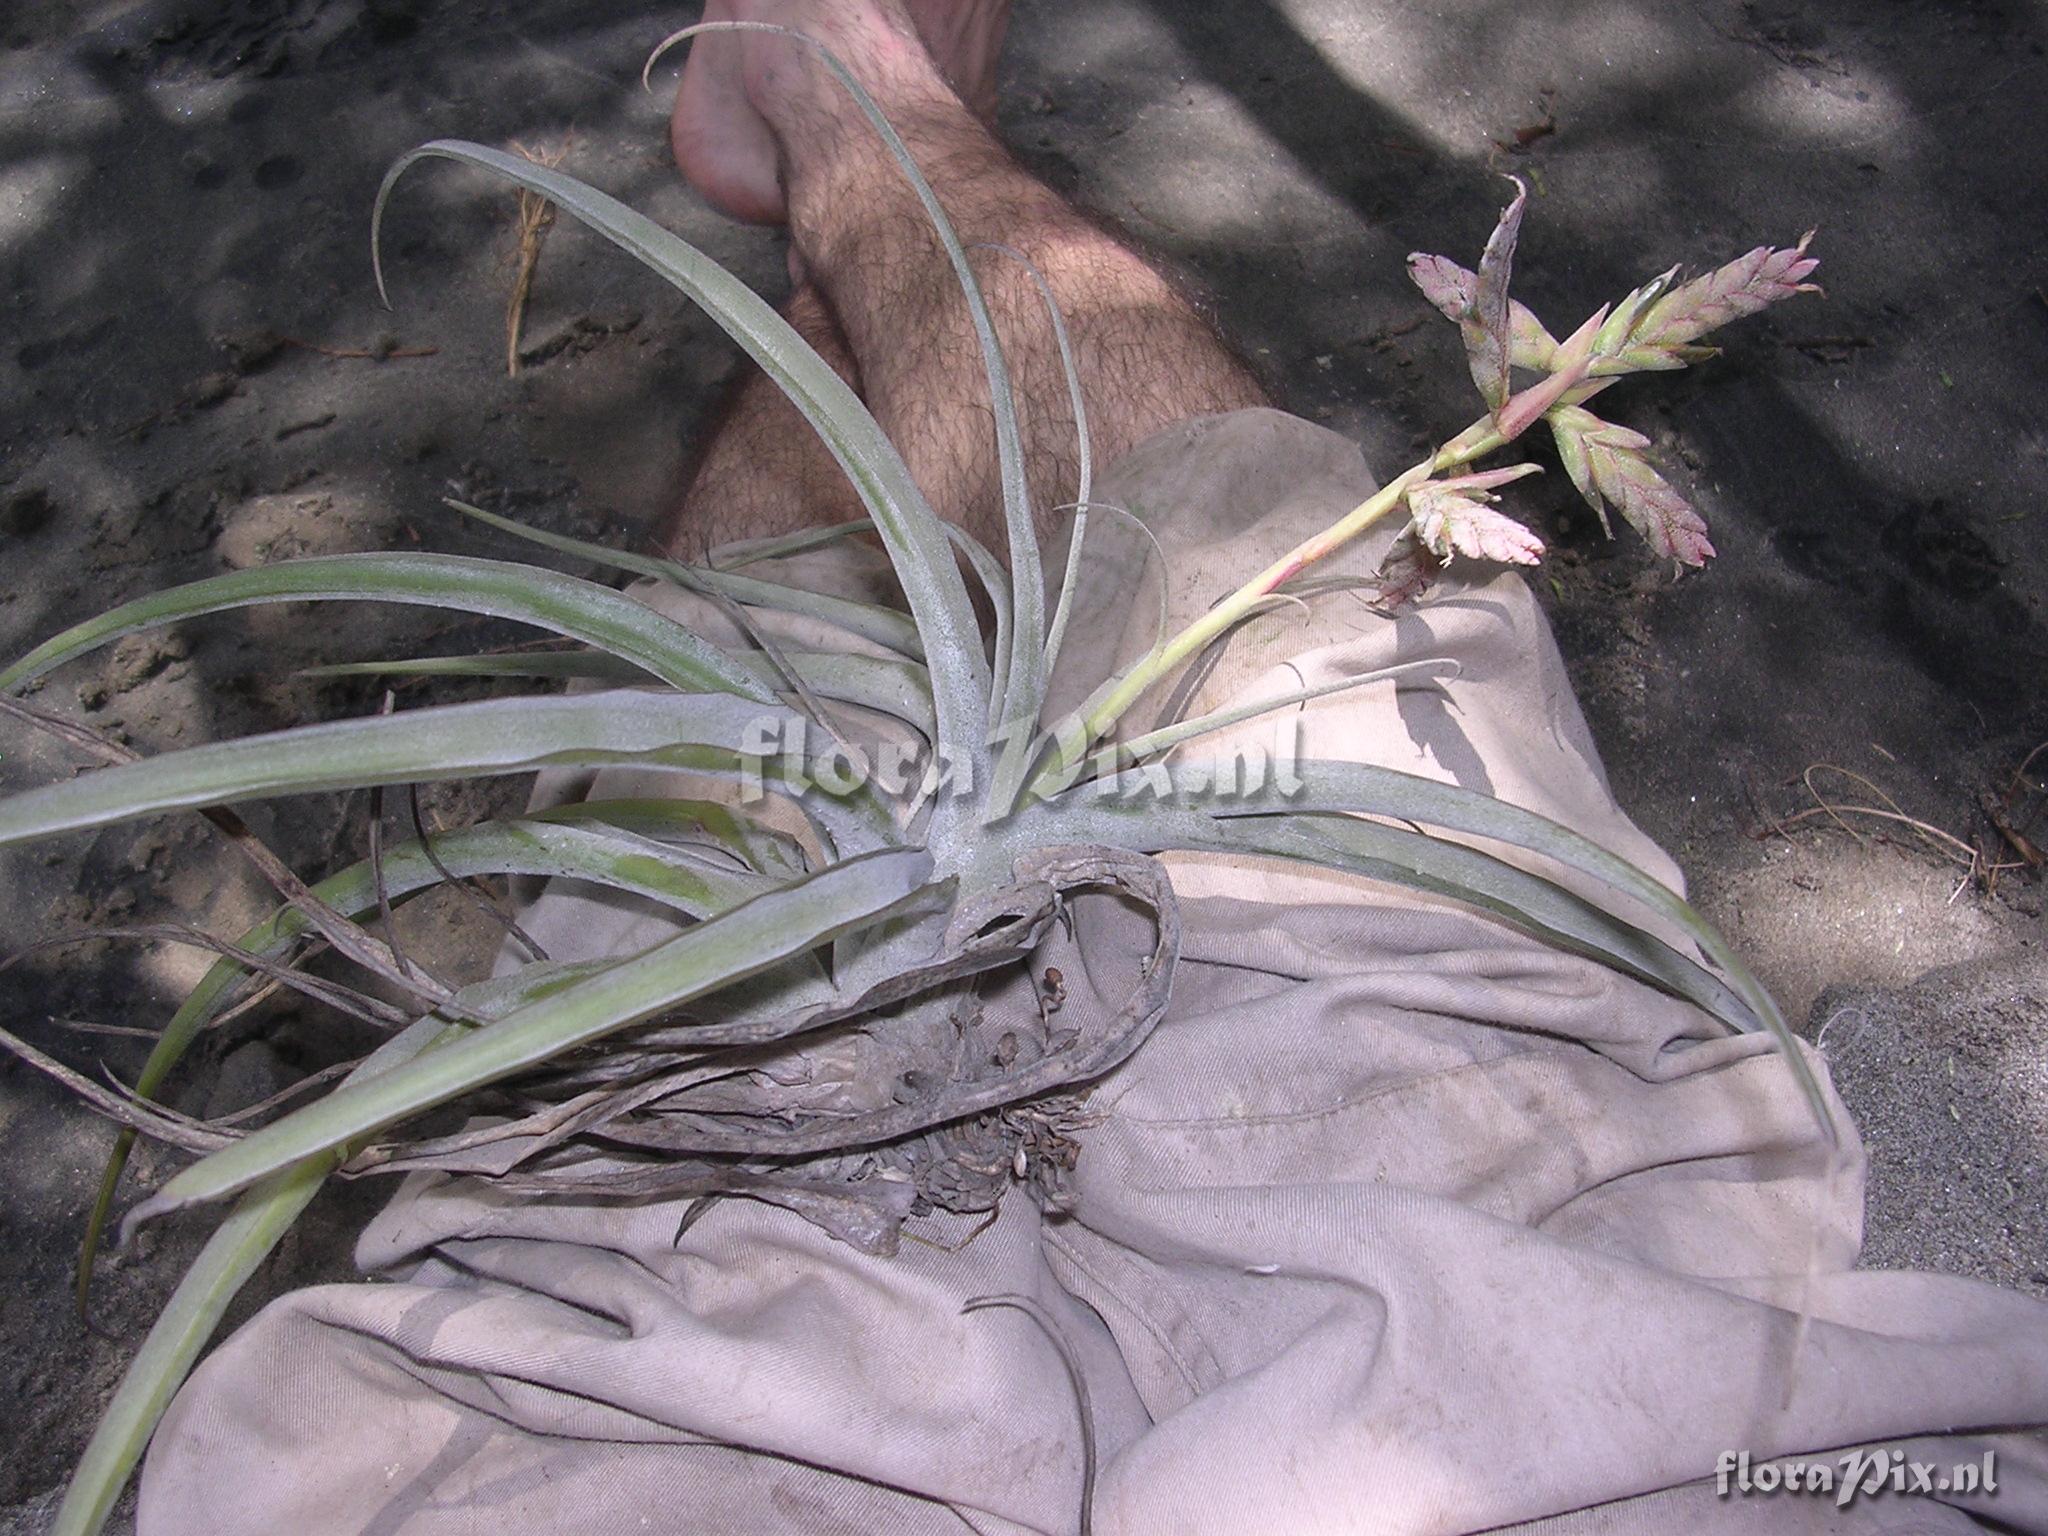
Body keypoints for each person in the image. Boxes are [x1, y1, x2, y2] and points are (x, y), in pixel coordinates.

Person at [138, 3, 2048, 1532]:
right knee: (1268, 556)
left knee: (775, 694)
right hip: (1505, 1255)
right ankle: (859, 120)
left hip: (648, 1354)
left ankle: (840, 131)